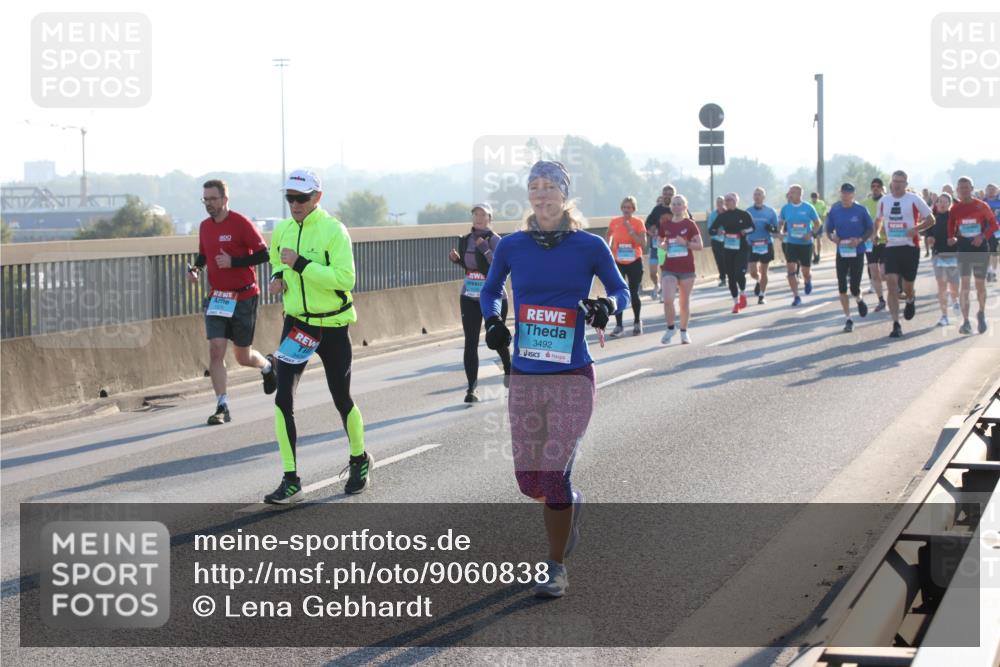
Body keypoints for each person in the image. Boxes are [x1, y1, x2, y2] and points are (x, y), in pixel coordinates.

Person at [480, 160, 629, 598]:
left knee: (553, 471)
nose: (542, 195)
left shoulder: (589, 245)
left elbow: (621, 290)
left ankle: (555, 565)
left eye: (550, 188)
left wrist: (606, 308)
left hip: (573, 376)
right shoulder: (512, 246)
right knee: (531, 484)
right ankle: (571, 507)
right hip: (526, 375)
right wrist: (493, 320)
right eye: (535, 188)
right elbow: (491, 291)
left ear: (565, 195)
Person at [263, 169, 370, 504]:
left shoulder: (334, 231)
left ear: (317, 197)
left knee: (341, 398)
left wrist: (300, 265)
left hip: (333, 326)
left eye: (301, 198)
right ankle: (291, 479)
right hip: (297, 326)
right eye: (289, 198)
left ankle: (359, 460)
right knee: (283, 399)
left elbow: (345, 279)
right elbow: (275, 258)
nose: (294, 204)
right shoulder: (281, 230)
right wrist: (279, 275)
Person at [187, 179, 275, 425]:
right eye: (205, 199)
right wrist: (195, 269)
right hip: (218, 297)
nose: (208, 204)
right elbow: (203, 255)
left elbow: (264, 253)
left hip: (244, 296)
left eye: (213, 199)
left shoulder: (240, 223)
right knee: (216, 350)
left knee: (242, 357)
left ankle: (268, 366)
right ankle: (221, 405)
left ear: (225, 199)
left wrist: (234, 262)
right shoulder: (205, 227)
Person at [447, 203, 512, 402]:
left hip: (493, 297)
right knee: (470, 342)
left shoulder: (495, 240)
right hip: (469, 296)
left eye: (482, 214)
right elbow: (470, 266)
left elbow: (500, 267)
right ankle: (471, 389)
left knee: (497, 339)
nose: (478, 218)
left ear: (489, 218)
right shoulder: (465, 240)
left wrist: (485, 249)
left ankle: (509, 370)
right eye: (475, 214)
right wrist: (458, 261)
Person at [875, 170, 935, 338]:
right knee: (891, 284)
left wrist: (916, 229)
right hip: (891, 247)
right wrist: (877, 232)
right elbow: (878, 220)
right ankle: (896, 324)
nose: (897, 184)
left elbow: (931, 220)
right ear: (891, 183)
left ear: (906, 184)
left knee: (908, 286)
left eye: (901, 182)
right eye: (895, 181)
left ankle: (910, 299)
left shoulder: (914, 199)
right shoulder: (884, 200)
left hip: (910, 248)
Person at [947, 176, 999, 335]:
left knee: (980, 284)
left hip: (980, 247)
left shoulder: (981, 205)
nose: (963, 190)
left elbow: (994, 225)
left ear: (972, 188)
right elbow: (951, 227)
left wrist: (982, 236)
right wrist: (952, 238)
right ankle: (966, 321)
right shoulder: (955, 209)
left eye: (966, 187)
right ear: (957, 190)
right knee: (965, 284)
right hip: (963, 247)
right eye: (961, 187)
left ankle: (981, 313)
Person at [825, 183, 873, 332]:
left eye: (848, 193)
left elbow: (870, 229)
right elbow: (828, 229)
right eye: (843, 193)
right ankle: (848, 319)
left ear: (853, 194)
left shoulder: (860, 210)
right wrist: (832, 236)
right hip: (842, 252)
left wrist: (859, 240)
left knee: (854, 287)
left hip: (857, 252)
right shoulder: (835, 209)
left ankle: (859, 300)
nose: (845, 195)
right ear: (840, 194)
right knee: (842, 287)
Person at [658, 194, 702, 344]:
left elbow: (700, 246)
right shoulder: (665, 225)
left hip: (687, 268)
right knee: (668, 299)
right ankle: (671, 328)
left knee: (684, 302)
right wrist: (662, 247)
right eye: (674, 204)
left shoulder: (690, 224)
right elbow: (660, 244)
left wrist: (686, 243)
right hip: (669, 267)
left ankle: (684, 332)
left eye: (679, 204)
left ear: (685, 207)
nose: (676, 206)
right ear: (670, 207)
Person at [708, 192, 755, 313]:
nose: (727, 202)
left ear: (735, 201)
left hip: (742, 248)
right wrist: (717, 232)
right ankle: (735, 303)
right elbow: (711, 230)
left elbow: (753, 228)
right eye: (726, 200)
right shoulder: (723, 216)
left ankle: (743, 294)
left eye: (730, 200)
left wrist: (745, 231)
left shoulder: (744, 214)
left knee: (739, 274)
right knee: (731, 278)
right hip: (728, 249)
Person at [607, 196, 647, 337]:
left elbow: (643, 243)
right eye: (624, 207)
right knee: (618, 292)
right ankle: (619, 326)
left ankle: (637, 322)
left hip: (634, 261)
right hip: (618, 261)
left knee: (633, 292)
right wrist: (609, 247)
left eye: (629, 208)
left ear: (633, 209)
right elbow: (608, 235)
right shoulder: (615, 222)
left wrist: (631, 230)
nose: (626, 210)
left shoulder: (638, 223)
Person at [779, 185, 821, 306]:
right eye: (789, 192)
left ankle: (807, 280)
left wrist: (812, 233)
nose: (790, 194)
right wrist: (780, 232)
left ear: (799, 194)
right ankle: (796, 296)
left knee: (805, 271)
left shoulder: (808, 207)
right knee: (791, 269)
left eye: (792, 192)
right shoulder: (785, 208)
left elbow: (818, 223)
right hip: (791, 243)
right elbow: (780, 222)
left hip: (806, 244)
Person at [929, 193, 960, 326]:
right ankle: (944, 316)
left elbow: (961, 234)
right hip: (938, 254)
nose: (941, 204)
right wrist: (929, 240)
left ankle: (955, 300)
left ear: (950, 204)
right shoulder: (932, 219)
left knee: (953, 285)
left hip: (953, 255)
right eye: (939, 201)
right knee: (941, 285)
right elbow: (929, 235)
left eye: (945, 201)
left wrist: (955, 239)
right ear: (936, 204)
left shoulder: (955, 218)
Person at [746, 187, 779, 304]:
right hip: (752, 244)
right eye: (755, 194)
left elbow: (776, 229)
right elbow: (744, 228)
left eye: (759, 194)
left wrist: (771, 228)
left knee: (764, 271)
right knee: (753, 272)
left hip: (766, 243)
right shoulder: (748, 211)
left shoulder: (771, 212)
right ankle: (758, 280)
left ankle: (762, 295)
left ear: (764, 197)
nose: (757, 196)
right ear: (753, 197)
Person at [644, 185, 676, 301]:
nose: (667, 196)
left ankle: (663, 291)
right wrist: (651, 232)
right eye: (665, 194)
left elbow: (689, 220)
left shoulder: (677, 207)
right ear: (662, 195)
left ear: (673, 195)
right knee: (652, 272)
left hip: (669, 245)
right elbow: (647, 224)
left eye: (670, 194)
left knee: (664, 268)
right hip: (655, 244)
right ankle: (656, 284)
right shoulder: (657, 209)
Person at [861, 178, 888, 312]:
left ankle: (897, 287)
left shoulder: (888, 201)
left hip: (886, 241)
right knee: (874, 271)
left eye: (878, 186)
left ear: (882, 188)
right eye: (873, 186)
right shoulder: (864, 203)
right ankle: (881, 300)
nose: (875, 188)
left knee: (884, 274)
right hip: (870, 242)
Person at [707, 196, 727, 287]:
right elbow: (709, 228)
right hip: (716, 240)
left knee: (727, 259)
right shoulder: (712, 214)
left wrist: (725, 232)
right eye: (718, 202)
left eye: (721, 202)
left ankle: (731, 276)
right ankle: (723, 278)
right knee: (719, 260)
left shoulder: (728, 213)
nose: (720, 204)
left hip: (728, 240)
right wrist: (716, 232)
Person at [984, 183, 1000, 283]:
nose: (991, 191)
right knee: (986, 251)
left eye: (993, 189)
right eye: (989, 189)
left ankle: (994, 272)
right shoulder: (983, 202)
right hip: (986, 230)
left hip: (997, 230)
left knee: (995, 251)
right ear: (986, 190)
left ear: (997, 190)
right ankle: (989, 270)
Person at [810, 191, 828, 264]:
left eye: (816, 198)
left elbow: (825, 211)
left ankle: (819, 254)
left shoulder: (821, 203)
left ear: (818, 197)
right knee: (812, 241)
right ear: (811, 198)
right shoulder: (809, 204)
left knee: (818, 239)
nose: (815, 199)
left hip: (819, 224)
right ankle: (814, 254)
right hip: (811, 225)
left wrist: (823, 216)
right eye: (813, 198)